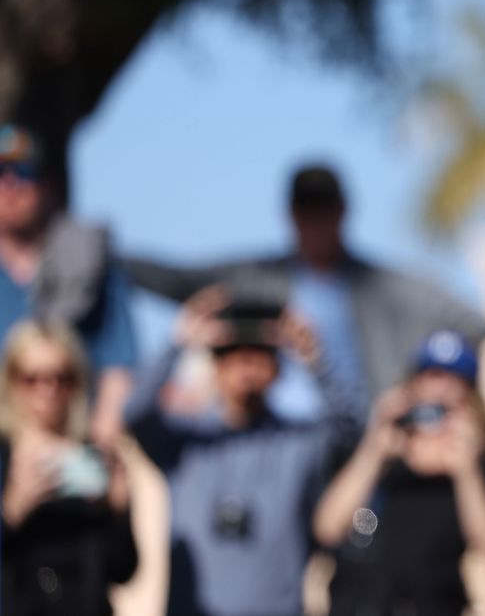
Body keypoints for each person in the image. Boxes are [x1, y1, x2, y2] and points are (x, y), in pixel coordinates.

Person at [125, 162, 485, 420]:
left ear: (344, 211)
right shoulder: (258, 276)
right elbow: (179, 280)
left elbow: (475, 324)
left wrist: (416, 385)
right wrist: (111, 259)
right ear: (290, 214)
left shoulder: (385, 285)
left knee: (366, 528)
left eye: (324, 209)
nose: (316, 222)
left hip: (356, 439)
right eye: (306, 210)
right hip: (282, 441)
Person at [125, 286, 359, 616]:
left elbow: (348, 427)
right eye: (233, 354)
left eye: (259, 353)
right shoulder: (185, 443)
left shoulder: (297, 442)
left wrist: (314, 358)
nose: (246, 365)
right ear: (215, 366)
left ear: (278, 369)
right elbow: (134, 414)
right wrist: (178, 341)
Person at [314, 330, 485, 616]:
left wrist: (466, 472)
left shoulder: (484, 467)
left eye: (453, 380)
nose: (440, 389)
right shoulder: (380, 453)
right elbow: (328, 528)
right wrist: (374, 449)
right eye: (431, 376)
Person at [0, 122, 137, 446]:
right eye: (1, 175)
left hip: (74, 444)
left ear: (49, 186)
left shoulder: (89, 263)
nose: (10, 186)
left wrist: (102, 448)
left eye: (23, 173)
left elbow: (119, 369)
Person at [0, 320, 137, 615]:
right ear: (11, 382)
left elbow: (123, 569)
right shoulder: (4, 457)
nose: (48, 389)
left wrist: (120, 508)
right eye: (32, 378)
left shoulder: (93, 457)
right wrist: (12, 510)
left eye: (61, 377)